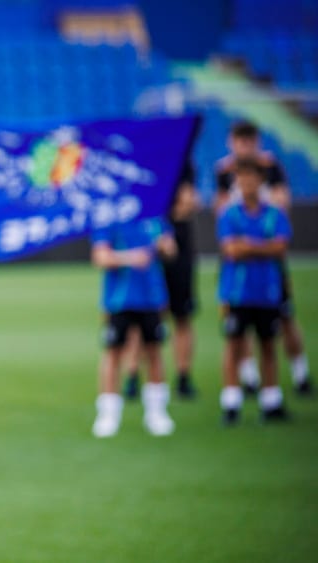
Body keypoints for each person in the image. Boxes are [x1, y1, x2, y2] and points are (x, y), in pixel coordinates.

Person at [214, 121, 310, 395]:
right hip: (238, 269)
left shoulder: (271, 166)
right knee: (237, 328)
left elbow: (281, 206)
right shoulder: (224, 170)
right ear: (231, 143)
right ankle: (248, 377)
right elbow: (222, 213)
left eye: (249, 142)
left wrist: (250, 243)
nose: (244, 147)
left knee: (284, 318)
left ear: (257, 142)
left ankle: (300, 373)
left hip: (269, 268)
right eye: (239, 142)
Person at [217, 157, 292, 424]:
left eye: (251, 177)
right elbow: (231, 249)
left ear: (261, 180)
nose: (246, 182)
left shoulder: (274, 214)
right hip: (237, 293)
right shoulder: (229, 214)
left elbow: (280, 247)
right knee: (234, 346)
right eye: (241, 177)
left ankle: (271, 400)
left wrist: (247, 245)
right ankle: (231, 402)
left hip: (267, 292)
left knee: (268, 345)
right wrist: (263, 246)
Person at [91, 217, 177, 438]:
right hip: (119, 300)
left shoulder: (155, 217)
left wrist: (164, 246)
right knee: (113, 353)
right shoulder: (110, 217)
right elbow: (100, 257)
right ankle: (108, 413)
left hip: (152, 298)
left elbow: (171, 251)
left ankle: (156, 412)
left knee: (154, 351)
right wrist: (129, 258)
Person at [122, 161, 201, 400]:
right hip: (143, 247)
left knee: (181, 315)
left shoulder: (181, 160)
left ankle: (183, 376)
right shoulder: (139, 160)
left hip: (177, 249)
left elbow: (187, 205)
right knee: (138, 316)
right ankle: (133, 375)